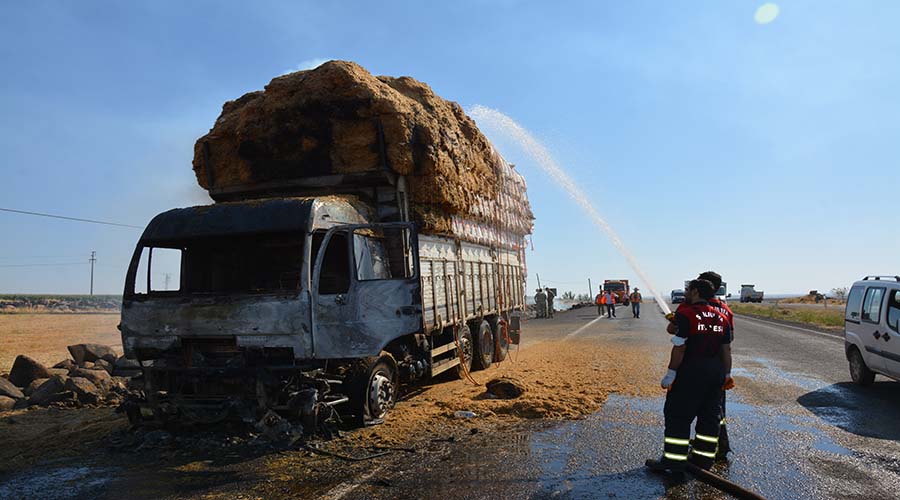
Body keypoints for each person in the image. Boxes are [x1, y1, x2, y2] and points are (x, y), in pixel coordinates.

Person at [647, 279, 732, 476]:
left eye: (687, 290)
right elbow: (726, 349)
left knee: (677, 415)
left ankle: (674, 460)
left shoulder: (687, 314)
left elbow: (680, 347)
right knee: (709, 418)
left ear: (695, 292)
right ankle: (703, 460)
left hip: (691, 372)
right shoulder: (722, 316)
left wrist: (671, 373)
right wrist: (727, 374)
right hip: (715, 373)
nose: (685, 292)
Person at [697, 271, 735, 460]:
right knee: (717, 409)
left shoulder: (692, 307)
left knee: (684, 411)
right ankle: (720, 444)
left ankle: (701, 451)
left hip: (694, 368)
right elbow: (728, 341)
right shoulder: (725, 309)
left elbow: (680, 334)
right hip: (718, 368)